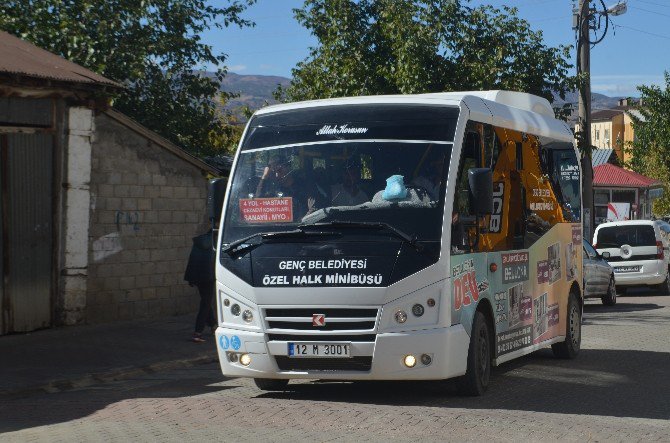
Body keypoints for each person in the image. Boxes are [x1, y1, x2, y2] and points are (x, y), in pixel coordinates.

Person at [184, 230, 216, 343]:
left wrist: (191, 278)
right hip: (208, 277)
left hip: (197, 277)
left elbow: (192, 260)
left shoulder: (199, 242)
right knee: (205, 304)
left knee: (206, 301)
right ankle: (198, 332)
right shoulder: (215, 243)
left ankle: (213, 326)